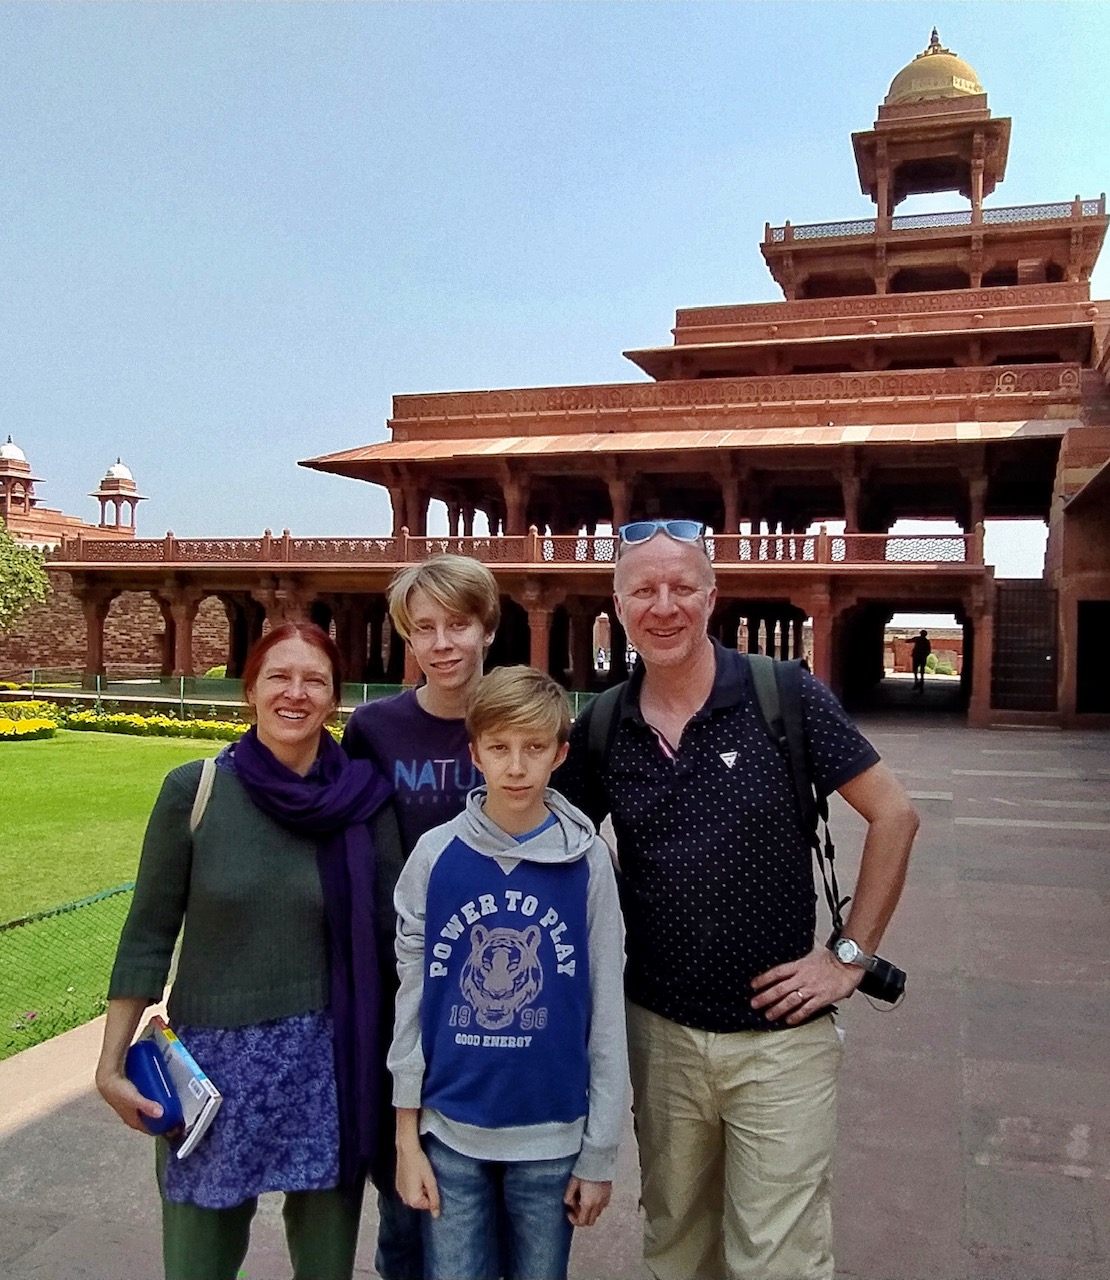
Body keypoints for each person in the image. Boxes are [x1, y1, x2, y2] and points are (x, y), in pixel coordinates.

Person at [555, 519, 919, 1280]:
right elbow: (545, 845)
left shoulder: (782, 695)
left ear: (711, 597)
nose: (664, 606)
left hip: (781, 1040)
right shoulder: (603, 727)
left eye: (682, 587)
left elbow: (894, 814)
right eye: (643, 590)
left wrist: (848, 956)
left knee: (776, 1258)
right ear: (616, 605)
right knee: (677, 1242)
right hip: (661, 1036)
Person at [96, 622, 400, 1280]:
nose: (296, 693)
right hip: (213, 1065)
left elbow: (393, 936)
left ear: (335, 699)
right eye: (279, 677)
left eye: (314, 680)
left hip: (328, 1059)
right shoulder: (196, 791)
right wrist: (110, 1063)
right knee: (199, 1259)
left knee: (325, 1265)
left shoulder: (360, 802)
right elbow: (148, 932)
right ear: (251, 691)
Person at [388, 665, 629, 1280]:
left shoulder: (587, 863)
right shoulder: (435, 857)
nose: (516, 767)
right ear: (475, 753)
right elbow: (412, 1004)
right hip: (451, 1130)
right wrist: (406, 1137)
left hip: (551, 1135)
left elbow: (605, 1007)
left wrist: (598, 1151)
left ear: (560, 754)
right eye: (499, 748)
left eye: (534, 748)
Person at [342, 553, 501, 1280]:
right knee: (404, 1191)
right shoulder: (377, 729)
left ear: (487, 629)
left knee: (492, 1178)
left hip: (499, 982)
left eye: (457, 625)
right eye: (423, 628)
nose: (441, 644)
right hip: (403, 980)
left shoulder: (519, 720)